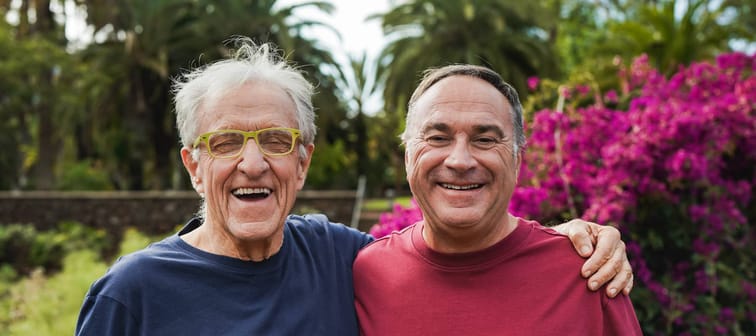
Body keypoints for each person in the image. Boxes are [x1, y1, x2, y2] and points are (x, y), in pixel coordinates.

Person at [75, 38, 633, 336]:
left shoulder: (342, 257)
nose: (252, 164)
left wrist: (577, 239)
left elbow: (459, 255)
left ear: (303, 161)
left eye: (275, 139)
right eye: (224, 143)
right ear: (193, 166)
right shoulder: (133, 294)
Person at [353, 64, 643, 335]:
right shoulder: (368, 272)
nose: (460, 161)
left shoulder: (589, 273)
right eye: (438, 138)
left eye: (485, 140)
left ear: (517, 162)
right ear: (408, 159)